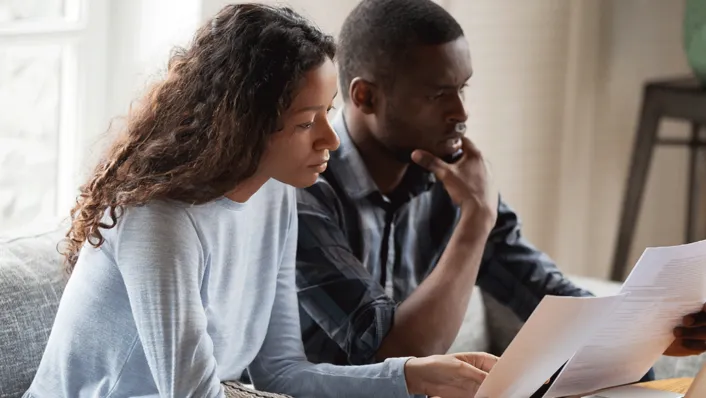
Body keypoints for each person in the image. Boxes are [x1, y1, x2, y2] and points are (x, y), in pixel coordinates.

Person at [23, 4, 499, 398]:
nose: (330, 140)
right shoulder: (158, 221)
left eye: (328, 112)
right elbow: (194, 395)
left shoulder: (277, 198)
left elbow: (283, 374)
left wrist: (416, 374)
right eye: (306, 121)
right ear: (243, 125)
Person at [295, 0, 706, 372]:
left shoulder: (448, 176)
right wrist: (476, 218)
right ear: (365, 97)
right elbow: (393, 355)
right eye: (439, 94)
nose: (461, 112)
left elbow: (542, 291)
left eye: (462, 88)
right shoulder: (304, 190)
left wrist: (658, 328)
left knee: (625, 372)